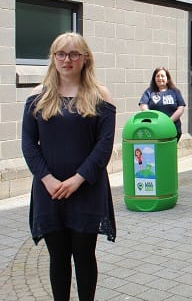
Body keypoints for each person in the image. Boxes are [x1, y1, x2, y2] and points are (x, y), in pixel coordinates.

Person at [21, 32, 116, 301]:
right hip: (49, 191)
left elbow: (103, 146)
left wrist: (78, 179)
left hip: (86, 190)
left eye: (74, 54)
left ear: (85, 59)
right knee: (58, 258)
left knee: (84, 257)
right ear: (53, 58)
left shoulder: (100, 95)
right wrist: (47, 179)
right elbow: (29, 144)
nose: (67, 59)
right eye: (60, 54)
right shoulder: (38, 96)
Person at [139, 67, 186, 141]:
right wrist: (153, 120)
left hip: (172, 127)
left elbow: (181, 108)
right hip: (155, 129)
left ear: (167, 78)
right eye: (157, 76)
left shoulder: (175, 91)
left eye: (162, 76)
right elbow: (143, 106)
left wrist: (168, 121)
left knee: (169, 150)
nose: (160, 78)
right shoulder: (149, 91)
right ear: (154, 78)